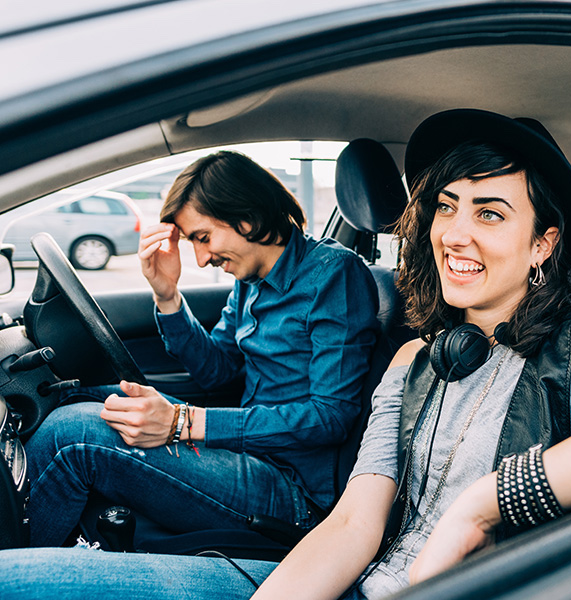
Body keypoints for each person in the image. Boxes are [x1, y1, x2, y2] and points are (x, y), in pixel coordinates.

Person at [0, 110, 571, 600]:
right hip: (347, 580)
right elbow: (353, 525)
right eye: (447, 206)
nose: (456, 231)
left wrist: (487, 502)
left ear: (544, 245)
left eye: (491, 213)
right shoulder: (420, 358)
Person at [23, 151, 380, 547]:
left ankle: (0, 568)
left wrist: (184, 423)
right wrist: (167, 294)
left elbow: (330, 416)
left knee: (73, 435)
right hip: (245, 452)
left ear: (247, 217)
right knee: (78, 395)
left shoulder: (333, 274)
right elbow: (219, 371)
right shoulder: (251, 278)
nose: (202, 258)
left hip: (292, 490)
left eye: (203, 238)